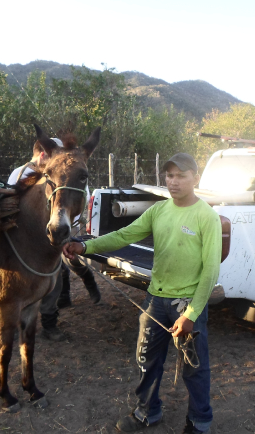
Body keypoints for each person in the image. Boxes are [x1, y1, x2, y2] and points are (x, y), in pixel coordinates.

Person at [63, 153, 222, 434]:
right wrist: (86, 246)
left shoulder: (207, 217)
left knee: (194, 367)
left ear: (195, 179)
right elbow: (124, 235)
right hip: (155, 299)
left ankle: (199, 423)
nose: (173, 182)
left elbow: (210, 272)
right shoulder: (159, 211)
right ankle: (148, 412)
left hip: (186, 304)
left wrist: (191, 314)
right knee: (146, 360)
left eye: (181, 176)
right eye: (169, 176)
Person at [8, 136, 101, 342]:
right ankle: (20, 320)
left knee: (57, 273)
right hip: (25, 237)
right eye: (56, 154)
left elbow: (79, 196)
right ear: (44, 154)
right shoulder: (20, 173)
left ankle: (51, 321)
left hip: (55, 231)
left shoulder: (67, 171)